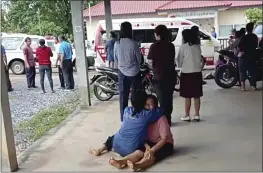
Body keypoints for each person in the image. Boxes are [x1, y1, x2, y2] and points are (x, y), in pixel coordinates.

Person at [89, 94, 173, 171]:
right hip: (150, 143)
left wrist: (152, 150)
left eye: (153, 104)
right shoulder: (147, 117)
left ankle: (138, 165)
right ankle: (121, 162)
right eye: (148, 105)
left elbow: (164, 139)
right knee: (139, 152)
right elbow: (143, 137)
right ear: (143, 106)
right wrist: (147, 145)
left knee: (150, 156)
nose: (151, 107)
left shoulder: (160, 118)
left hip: (165, 144)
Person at [147, 25, 176, 126]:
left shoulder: (154, 46)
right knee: (169, 98)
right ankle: (168, 119)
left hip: (158, 77)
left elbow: (150, 62)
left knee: (161, 99)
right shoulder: (171, 46)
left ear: (157, 34)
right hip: (171, 76)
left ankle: (163, 121)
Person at [114, 21, 143, 122]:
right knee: (137, 94)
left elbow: (115, 59)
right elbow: (139, 60)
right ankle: (138, 115)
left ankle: (123, 119)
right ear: (130, 30)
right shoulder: (134, 43)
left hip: (122, 72)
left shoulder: (117, 44)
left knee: (123, 96)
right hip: (134, 72)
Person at [177, 29, 203, 121]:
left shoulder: (183, 47)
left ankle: (187, 115)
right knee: (196, 95)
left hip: (186, 73)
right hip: (197, 73)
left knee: (187, 96)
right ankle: (197, 114)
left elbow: (179, 62)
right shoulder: (197, 46)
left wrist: (181, 64)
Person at [238, 22, 259, 91]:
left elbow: (239, 47)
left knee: (242, 71)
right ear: (252, 29)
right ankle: (253, 86)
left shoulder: (244, 37)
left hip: (244, 56)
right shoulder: (255, 37)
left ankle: (243, 87)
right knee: (252, 71)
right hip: (252, 56)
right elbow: (256, 46)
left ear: (246, 29)